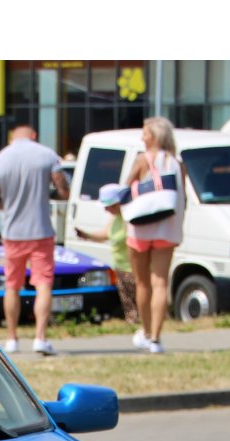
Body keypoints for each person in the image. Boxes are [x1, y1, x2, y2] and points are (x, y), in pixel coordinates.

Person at [0, 124, 69, 355]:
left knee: (12, 286)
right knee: (43, 285)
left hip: (12, 232)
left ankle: (12, 338)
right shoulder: (46, 155)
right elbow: (63, 190)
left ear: (12, 137)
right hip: (41, 229)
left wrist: (10, 205)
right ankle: (40, 337)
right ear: (34, 136)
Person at [125, 117, 187, 355]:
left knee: (142, 282)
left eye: (145, 133)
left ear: (155, 136)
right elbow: (183, 199)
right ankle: (156, 340)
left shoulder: (142, 160)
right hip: (167, 228)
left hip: (141, 228)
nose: (142, 137)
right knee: (160, 281)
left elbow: (126, 188)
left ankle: (147, 331)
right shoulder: (177, 163)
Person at [75, 183, 139, 330]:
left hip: (133, 269)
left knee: (140, 302)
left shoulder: (128, 217)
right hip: (120, 268)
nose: (105, 209)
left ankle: (146, 328)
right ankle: (132, 327)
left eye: (107, 205)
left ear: (118, 203)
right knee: (129, 306)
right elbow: (106, 234)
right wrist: (87, 235)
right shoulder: (115, 218)